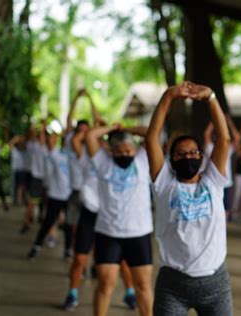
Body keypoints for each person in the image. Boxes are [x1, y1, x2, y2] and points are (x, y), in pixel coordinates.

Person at [146, 81, 233, 315]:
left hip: (215, 284)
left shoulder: (213, 181)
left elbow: (223, 139)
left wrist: (211, 98)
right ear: (171, 159)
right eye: (181, 154)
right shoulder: (164, 184)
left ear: (201, 156)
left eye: (194, 152)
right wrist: (168, 97)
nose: (188, 157)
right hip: (173, 285)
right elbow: (151, 139)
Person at [62, 120, 137, 311]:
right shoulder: (84, 156)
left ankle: (130, 292)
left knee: (121, 260)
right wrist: (108, 127)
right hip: (89, 214)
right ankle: (73, 293)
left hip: (109, 216)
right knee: (80, 259)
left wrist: (116, 130)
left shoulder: (114, 159)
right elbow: (79, 139)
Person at [86, 123, 153, 316]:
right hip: (108, 232)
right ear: (111, 151)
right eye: (120, 151)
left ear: (135, 149)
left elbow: (151, 132)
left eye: (128, 150)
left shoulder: (141, 160)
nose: (125, 155)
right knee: (106, 285)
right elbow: (91, 136)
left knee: (142, 285)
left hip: (139, 233)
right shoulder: (102, 162)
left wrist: (127, 127)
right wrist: (112, 128)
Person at [27, 131, 73, 260]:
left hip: (70, 197)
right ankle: (36, 247)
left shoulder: (77, 157)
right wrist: (47, 128)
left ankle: (68, 250)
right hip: (55, 196)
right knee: (47, 222)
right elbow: (50, 141)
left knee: (69, 225)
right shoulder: (56, 154)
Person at [65, 89, 101, 248]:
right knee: (72, 224)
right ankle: (72, 248)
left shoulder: (96, 150)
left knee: (92, 228)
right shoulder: (72, 141)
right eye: (82, 130)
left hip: (92, 193)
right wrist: (76, 99)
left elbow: (98, 120)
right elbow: (69, 119)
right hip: (74, 188)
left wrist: (91, 99)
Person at [21, 123, 47, 233]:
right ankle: (27, 222)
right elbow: (34, 134)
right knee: (33, 201)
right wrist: (41, 126)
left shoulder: (40, 146)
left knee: (41, 200)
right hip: (37, 177)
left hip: (42, 178)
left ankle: (36, 218)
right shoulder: (34, 145)